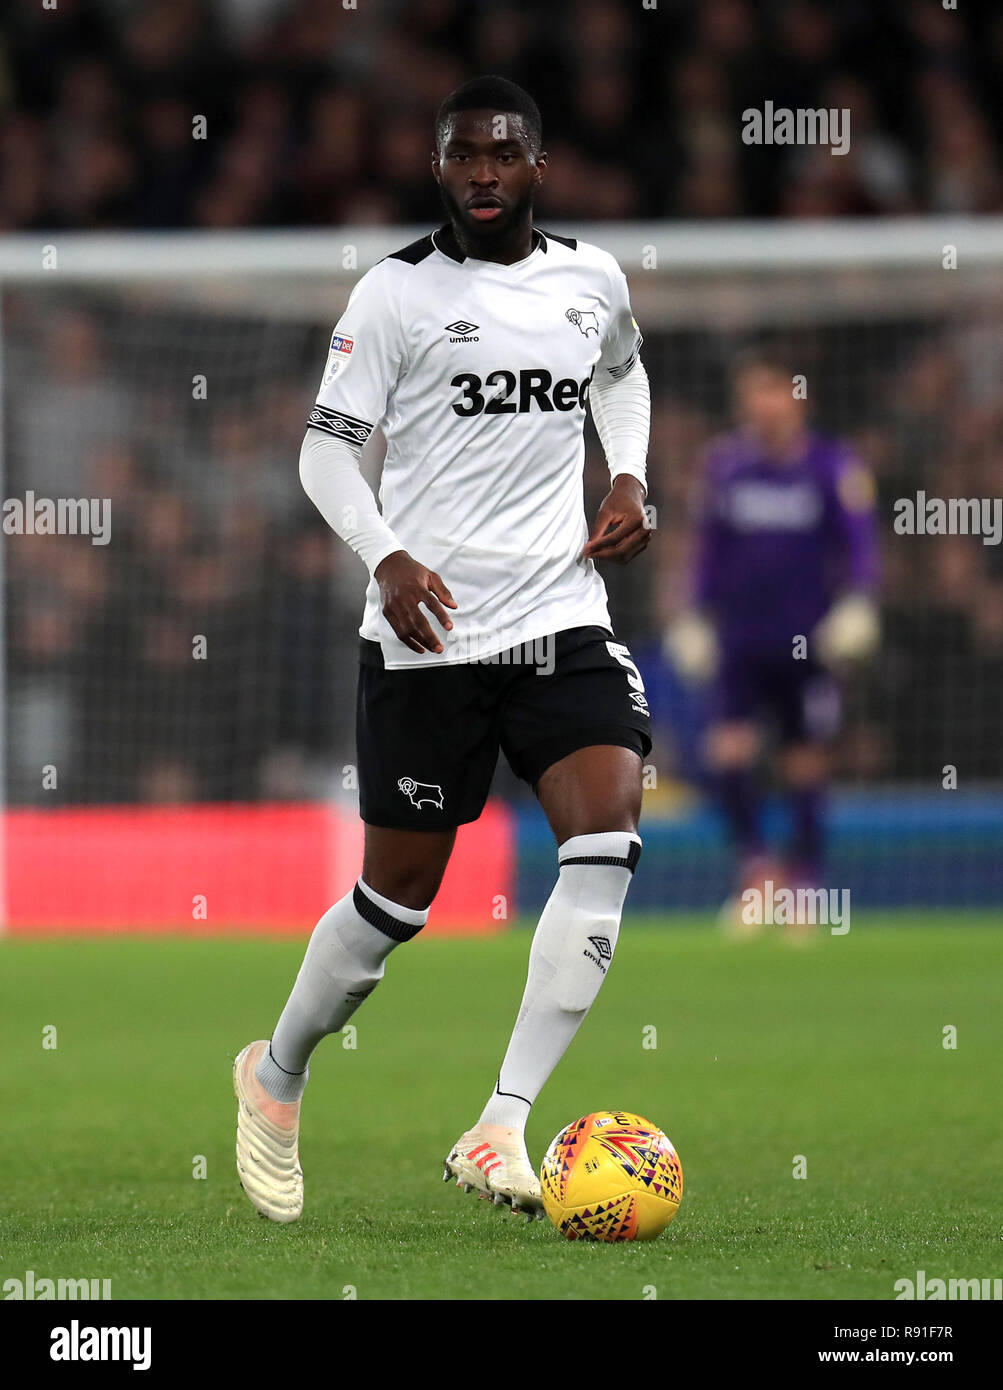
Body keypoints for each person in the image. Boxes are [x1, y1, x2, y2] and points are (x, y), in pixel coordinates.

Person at [234, 76, 653, 1223]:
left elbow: (621, 373)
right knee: (394, 904)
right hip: (429, 636)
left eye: (501, 155)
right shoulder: (395, 297)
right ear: (439, 169)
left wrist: (627, 473)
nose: (482, 173)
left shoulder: (591, 280)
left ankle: (500, 1124)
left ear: (537, 166)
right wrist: (385, 555)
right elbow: (325, 457)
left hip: (560, 617)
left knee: (607, 835)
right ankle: (274, 1078)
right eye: (462, 156)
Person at [665, 347, 879, 918]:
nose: (762, 405)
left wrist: (859, 604)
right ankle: (757, 874)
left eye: (774, 391)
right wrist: (693, 613)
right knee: (727, 753)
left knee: (805, 761)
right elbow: (708, 552)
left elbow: (858, 548)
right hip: (741, 640)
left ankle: (804, 886)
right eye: (753, 393)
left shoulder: (833, 467)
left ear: (797, 398)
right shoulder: (725, 467)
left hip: (808, 640)